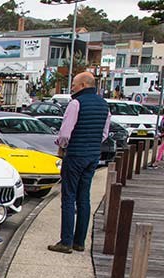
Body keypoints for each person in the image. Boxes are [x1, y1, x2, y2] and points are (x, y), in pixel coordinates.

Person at [48, 71, 111, 254]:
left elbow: (65, 132)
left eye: (74, 84)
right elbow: (104, 133)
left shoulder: (76, 103)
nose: (72, 87)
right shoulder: (104, 105)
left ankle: (66, 241)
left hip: (75, 154)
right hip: (92, 155)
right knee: (84, 197)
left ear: (83, 85)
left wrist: (62, 145)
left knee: (68, 197)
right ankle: (79, 241)